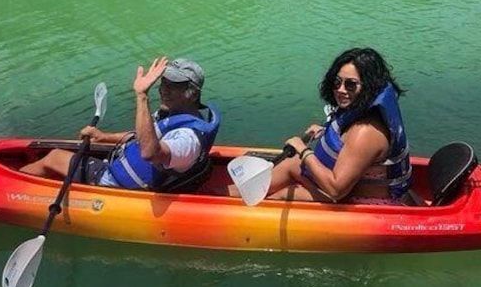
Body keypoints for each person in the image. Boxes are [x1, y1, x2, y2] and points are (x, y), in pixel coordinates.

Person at [21, 57, 220, 192]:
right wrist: (103, 136)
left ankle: (16, 188)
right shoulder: (174, 113)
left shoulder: (187, 139)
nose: (163, 90)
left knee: (54, 157)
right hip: (121, 169)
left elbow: (149, 152)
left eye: (173, 86)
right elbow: (145, 135)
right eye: (163, 83)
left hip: (116, 183)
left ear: (192, 93)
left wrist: (141, 96)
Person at [257, 47, 412, 204]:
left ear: (369, 86)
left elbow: (336, 190)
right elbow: (345, 136)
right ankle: (238, 193)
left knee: (282, 195)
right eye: (337, 82)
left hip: (360, 203)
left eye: (351, 84)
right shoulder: (360, 111)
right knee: (291, 165)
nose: (341, 90)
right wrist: (324, 130)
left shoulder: (366, 132)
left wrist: (304, 151)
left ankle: (248, 207)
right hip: (346, 191)